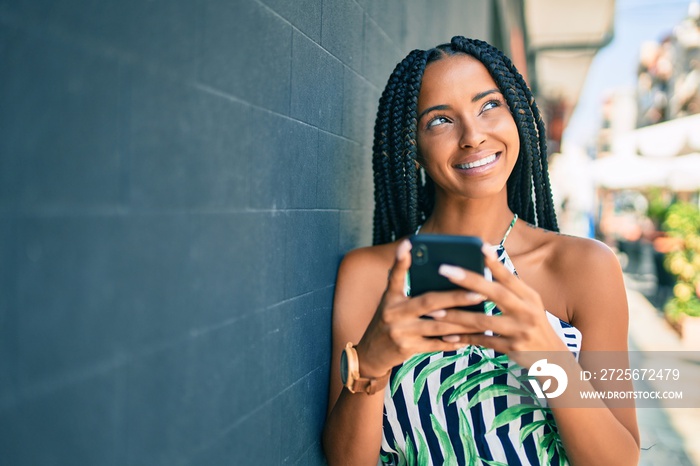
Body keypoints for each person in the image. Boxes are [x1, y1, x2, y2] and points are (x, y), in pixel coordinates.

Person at [322, 37, 640, 465]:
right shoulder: (369, 274)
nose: (473, 136)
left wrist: (547, 354)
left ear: (519, 117)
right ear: (412, 148)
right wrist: (372, 365)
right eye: (439, 121)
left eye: (489, 105)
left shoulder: (585, 268)